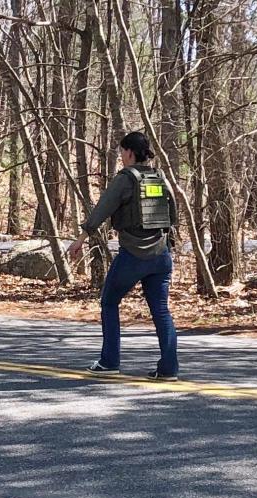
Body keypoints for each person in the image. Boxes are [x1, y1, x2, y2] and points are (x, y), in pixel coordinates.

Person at [68, 131, 179, 381]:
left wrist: (80, 241)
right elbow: (173, 214)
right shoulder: (160, 176)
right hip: (161, 255)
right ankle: (169, 369)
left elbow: (102, 210)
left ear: (129, 152)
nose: (121, 157)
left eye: (121, 152)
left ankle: (109, 362)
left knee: (109, 301)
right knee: (161, 311)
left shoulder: (126, 179)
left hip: (134, 255)